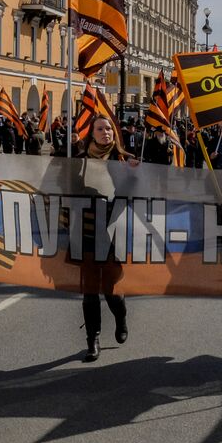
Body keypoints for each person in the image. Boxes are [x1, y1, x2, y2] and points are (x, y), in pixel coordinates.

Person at [77, 115, 135, 361]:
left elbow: (138, 192)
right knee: (90, 290)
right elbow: (60, 188)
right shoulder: (78, 162)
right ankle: (93, 340)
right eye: (100, 129)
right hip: (86, 231)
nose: (105, 132)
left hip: (113, 231)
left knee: (111, 288)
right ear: (92, 134)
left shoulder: (124, 161)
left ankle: (120, 317)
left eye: (109, 128)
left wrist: (136, 174)